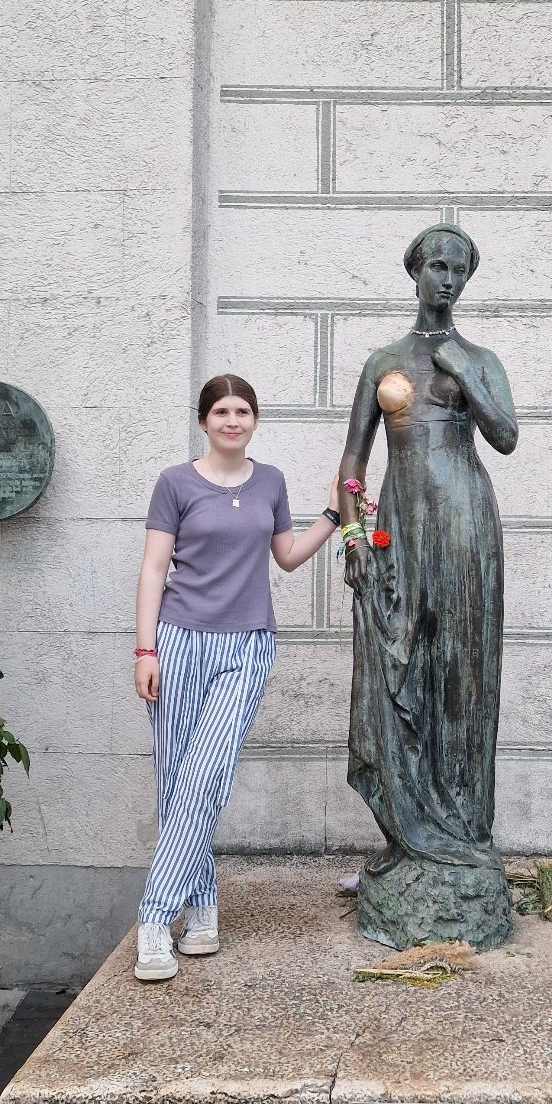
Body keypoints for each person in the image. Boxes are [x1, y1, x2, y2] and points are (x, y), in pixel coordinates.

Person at [338, 223, 518, 945]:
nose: (446, 278)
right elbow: (353, 461)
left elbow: (505, 436)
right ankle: (409, 829)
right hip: (402, 528)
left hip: (466, 524)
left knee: (462, 675)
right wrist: (354, 534)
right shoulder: (383, 361)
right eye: (436, 266)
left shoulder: (480, 358)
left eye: (458, 270)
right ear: (414, 272)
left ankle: (465, 828)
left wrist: (465, 374)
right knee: (399, 670)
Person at [132, 373, 339, 981]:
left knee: (204, 775)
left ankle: (154, 918)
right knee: (177, 782)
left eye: (242, 411)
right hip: (178, 641)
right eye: (220, 411)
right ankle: (201, 909)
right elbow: (153, 570)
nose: (232, 420)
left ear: (254, 420)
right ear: (204, 421)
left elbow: (288, 556)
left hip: (246, 644)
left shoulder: (271, 481)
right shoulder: (175, 483)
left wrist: (334, 514)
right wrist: (145, 650)